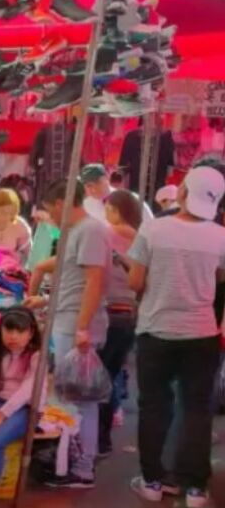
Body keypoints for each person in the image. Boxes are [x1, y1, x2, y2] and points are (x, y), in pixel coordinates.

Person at [127, 165, 225, 508]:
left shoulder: (152, 230)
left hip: (156, 331)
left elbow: (136, 283)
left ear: (182, 192)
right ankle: (196, 488)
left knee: (154, 405)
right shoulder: (219, 237)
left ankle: (153, 481)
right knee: (197, 409)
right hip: (202, 334)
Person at [25, 178, 111, 489]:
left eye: (50, 210)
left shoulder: (89, 231)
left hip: (76, 326)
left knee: (78, 398)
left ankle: (82, 466)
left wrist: (83, 327)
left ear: (61, 203)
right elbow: (75, 282)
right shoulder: (79, 232)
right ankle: (72, 461)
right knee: (69, 397)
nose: (51, 216)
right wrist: (46, 300)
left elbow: (94, 281)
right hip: (69, 320)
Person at [97, 189, 143, 456]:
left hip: (106, 310)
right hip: (129, 314)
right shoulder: (141, 238)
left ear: (116, 210)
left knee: (98, 378)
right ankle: (104, 437)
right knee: (111, 375)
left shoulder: (106, 234)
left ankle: (98, 438)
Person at [0, 307, 44, 484]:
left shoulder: (37, 357)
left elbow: (27, 391)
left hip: (25, 409)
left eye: (20, 331)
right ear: (1, 331)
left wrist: (1, 415)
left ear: (30, 333)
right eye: (9, 330)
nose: (13, 336)